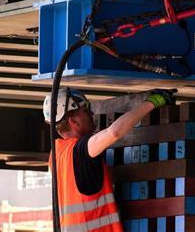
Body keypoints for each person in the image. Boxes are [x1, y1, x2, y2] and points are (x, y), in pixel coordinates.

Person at [44, 88, 176, 232]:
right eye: (86, 109)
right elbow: (114, 133)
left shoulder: (55, 156)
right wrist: (153, 102)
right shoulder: (80, 151)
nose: (91, 113)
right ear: (73, 121)